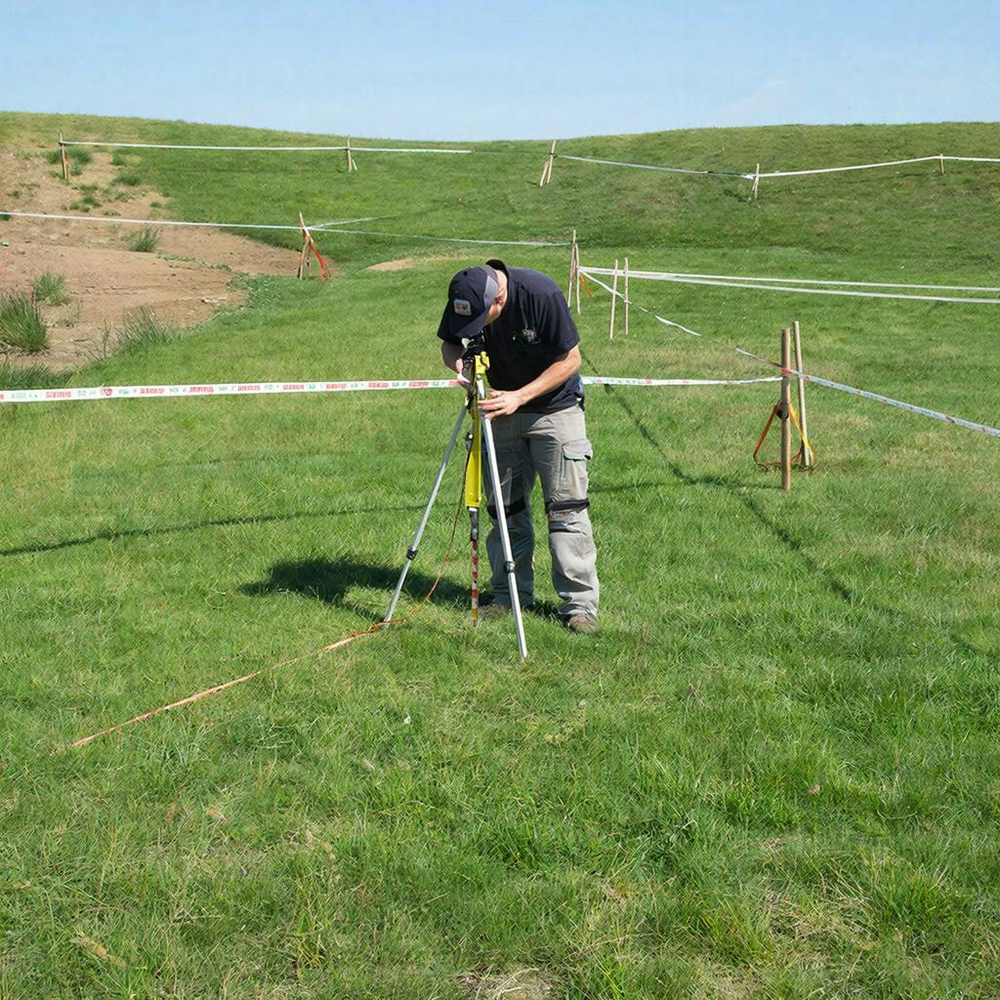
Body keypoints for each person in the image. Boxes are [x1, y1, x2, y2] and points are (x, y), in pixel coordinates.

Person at [437, 260, 599, 633]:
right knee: (505, 511)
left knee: (566, 511)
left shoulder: (540, 293)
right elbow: (450, 343)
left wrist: (519, 397)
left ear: (499, 300)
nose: (476, 330)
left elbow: (571, 359)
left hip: (554, 411)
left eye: (481, 321)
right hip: (500, 412)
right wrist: (460, 369)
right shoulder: (466, 291)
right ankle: (509, 595)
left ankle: (579, 607)